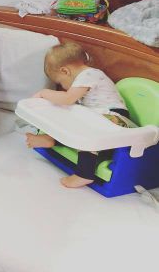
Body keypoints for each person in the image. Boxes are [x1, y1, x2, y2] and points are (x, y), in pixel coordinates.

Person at [26, 42, 133, 188]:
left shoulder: (89, 74)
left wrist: (44, 93)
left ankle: (84, 174)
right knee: (73, 122)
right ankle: (50, 139)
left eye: (60, 83)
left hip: (115, 118)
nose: (63, 87)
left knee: (86, 130)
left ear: (65, 71)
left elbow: (67, 99)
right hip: (97, 117)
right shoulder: (85, 78)